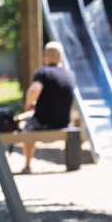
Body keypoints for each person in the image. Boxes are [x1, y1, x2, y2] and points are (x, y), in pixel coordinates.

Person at [19, 42, 77, 173]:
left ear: (46, 56)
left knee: (26, 126)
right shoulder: (70, 74)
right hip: (64, 122)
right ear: (60, 57)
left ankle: (27, 165)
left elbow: (34, 90)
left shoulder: (42, 72)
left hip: (43, 122)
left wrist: (28, 107)